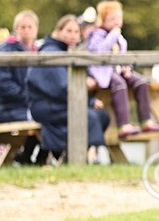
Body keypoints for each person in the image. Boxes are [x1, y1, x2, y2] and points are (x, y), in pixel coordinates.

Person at [26, 14, 110, 164]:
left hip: (58, 103)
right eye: (69, 31)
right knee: (90, 116)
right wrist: (89, 102)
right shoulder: (52, 52)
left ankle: (73, 156)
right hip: (46, 106)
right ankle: (74, 158)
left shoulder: (62, 51)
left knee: (101, 115)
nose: (73, 35)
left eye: (76, 32)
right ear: (58, 31)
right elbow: (61, 88)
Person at [86, 0, 158, 137]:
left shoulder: (119, 37)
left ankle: (146, 121)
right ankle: (124, 124)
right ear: (103, 20)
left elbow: (123, 55)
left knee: (141, 82)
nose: (116, 21)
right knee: (119, 84)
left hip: (119, 69)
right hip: (103, 70)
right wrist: (113, 34)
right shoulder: (97, 35)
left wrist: (127, 68)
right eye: (112, 18)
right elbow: (100, 51)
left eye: (118, 18)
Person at [0, 10, 39, 125]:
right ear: (16, 29)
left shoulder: (37, 52)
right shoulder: (8, 49)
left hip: (23, 107)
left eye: (30, 27)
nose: (27, 30)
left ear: (36, 29)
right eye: (23, 27)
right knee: (43, 119)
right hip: (5, 108)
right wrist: (25, 96)